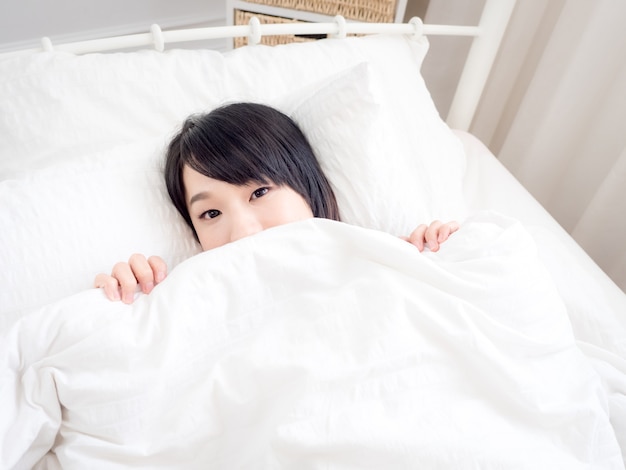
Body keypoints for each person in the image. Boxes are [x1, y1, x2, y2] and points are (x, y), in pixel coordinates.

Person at [94, 103, 460, 304]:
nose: (243, 231)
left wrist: (437, 249)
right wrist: (130, 295)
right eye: (211, 213)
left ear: (306, 184)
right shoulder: (192, 297)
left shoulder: (386, 256)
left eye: (258, 192)